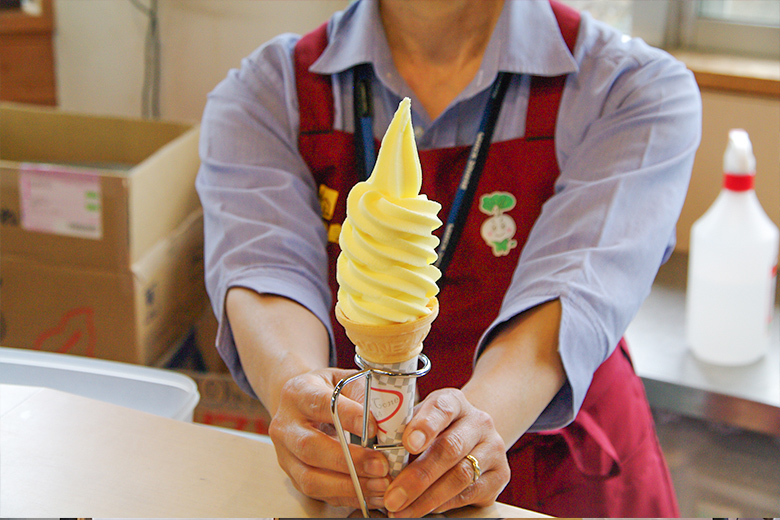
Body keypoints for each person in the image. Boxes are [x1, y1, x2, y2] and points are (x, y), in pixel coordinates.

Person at [195, 0, 701, 517]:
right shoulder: (267, 91)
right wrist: (295, 386)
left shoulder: (630, 88)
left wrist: (478, 426)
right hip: (356, 465)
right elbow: (266, 269)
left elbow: (576, 287)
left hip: (560, 474)